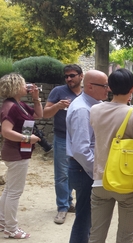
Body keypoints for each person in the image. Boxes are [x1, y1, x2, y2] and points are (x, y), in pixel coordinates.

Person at [88, 68, 133, 243]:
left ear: (109, 87)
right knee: (125, 236)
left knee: (96, 235)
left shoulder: (94, 110)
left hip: (100, 179)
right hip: (127, 182)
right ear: (132, 89)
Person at [65, 70, 109, 243]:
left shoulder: (91, 105)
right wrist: (97, 172)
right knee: (84, 218)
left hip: (84, 169)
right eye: (104, 86)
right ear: (90, 86)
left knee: (88, 217)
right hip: (84, 169)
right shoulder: (82, 109)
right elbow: (81, 150)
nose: (108, 89)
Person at [0, 73, 42, 238]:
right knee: (14, 192)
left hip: (19, 151)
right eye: (24, 84)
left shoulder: (18, 104)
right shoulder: (11, 107)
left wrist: (36, 98)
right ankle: (11, 228)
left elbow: (39, 115)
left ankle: (3, 221)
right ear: (16, 86)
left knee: (10, 190)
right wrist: (28, 138)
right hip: (16, 152)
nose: (27, 86)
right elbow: (6, 131)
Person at [44, 64, 82, 224]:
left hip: (80, 139)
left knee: (80, 171)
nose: (69, 79)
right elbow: (45, 114)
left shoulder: (87, 93)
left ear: (81, 75)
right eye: (66, 76)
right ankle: (62, 207)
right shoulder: (58, 92)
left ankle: (71, 203)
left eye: (72, 75)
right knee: (61, 174)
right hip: (61, 138)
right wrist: (57, 106)